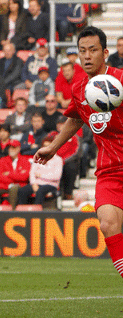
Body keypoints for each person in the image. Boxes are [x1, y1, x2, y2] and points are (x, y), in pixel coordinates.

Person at [35, 26, 123, 282]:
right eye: (82, 51)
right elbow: (76, 117)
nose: (87, 56)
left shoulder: (120, 79)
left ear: (105, 53)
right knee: (107, 223)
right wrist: (53, 147)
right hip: (110, 169)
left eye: (93, 50)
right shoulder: (79, 87)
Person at [21, 135, 62, 205]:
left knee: (40, 191)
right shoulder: (38, 157)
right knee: (22, 191)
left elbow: (56, 176)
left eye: (48, 146)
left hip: (51, 185)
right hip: (36, 183)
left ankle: (37, 213)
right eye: (44, 146)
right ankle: (22, 212)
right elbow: (32, 173)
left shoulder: (58, 159)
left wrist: (40, 175)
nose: (46, 148)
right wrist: (33, 183)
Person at [0, 139, 30, 208]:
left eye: (13, 147)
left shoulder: (25, 161)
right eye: (9, 148)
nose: (11, 149)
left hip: (19, 186)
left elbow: (25, 177)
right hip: (4, 186)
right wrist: (16, 177)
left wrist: (9, 174)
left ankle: (12, 212)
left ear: (18, 149)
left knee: (14, 188)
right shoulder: (2, 160)